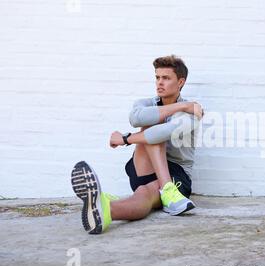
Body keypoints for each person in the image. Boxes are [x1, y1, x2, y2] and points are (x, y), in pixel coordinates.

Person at [70, 55, 203, 234]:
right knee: (150, 119)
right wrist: (180, 106)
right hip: (143, 167)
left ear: (180, 82)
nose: (159, 83)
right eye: (157, 77)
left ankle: (106, 208)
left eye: (166, 78)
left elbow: (159, 134)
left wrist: (124, 139)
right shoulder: (161, 105)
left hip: (176, 174)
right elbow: (136, 118)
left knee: (144, 196)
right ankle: (167, 191)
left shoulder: (191, 114)